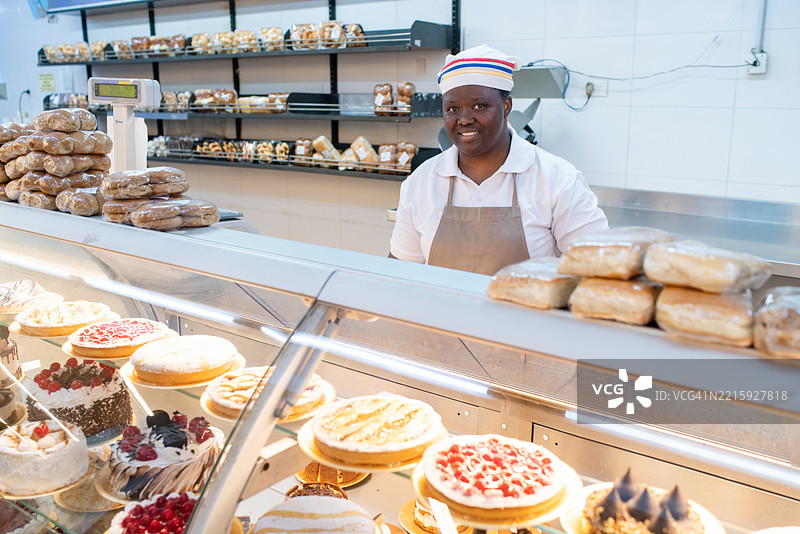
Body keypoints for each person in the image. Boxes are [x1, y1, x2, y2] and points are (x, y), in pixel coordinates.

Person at [389, 44, 608, 275]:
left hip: (524, 312)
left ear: (506, 106)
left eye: (479, 106)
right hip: (440, 311)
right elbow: (400, 270)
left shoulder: (558, 179)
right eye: (453, 108)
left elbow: (596, 270)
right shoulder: (422, 181)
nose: (464, 119)